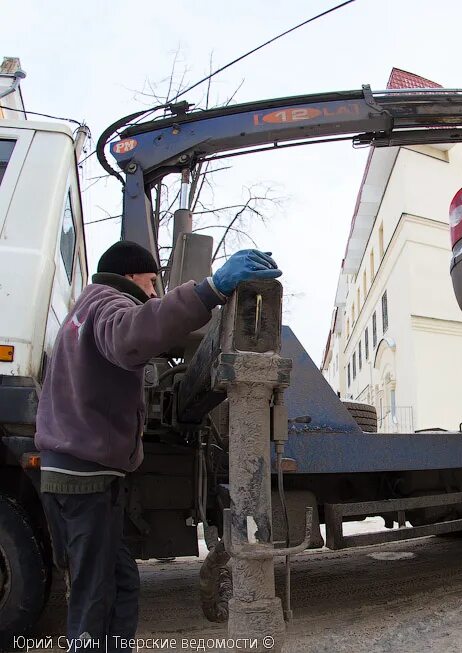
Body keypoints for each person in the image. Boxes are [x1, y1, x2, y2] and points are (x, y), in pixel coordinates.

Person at [34, 241, 282, 650]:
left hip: (80, 474)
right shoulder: (106, 305)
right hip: (87, 479)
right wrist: (208, 290)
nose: (154, 294)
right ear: (130, 275)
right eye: (152, 283)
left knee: (120, 581)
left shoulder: (81, 313)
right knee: (93, 594)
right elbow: (130, 335)